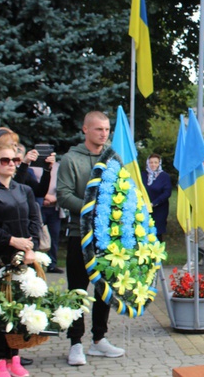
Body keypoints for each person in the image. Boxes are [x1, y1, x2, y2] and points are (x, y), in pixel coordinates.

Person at [56, 111, 124, 366]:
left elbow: (122, 189)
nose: (104, 134)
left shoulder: (113, 157)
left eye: (107, 129)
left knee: (103, 290)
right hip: (79, 235)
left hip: (106, 238)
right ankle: (75, 343)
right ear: (85, 129)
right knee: (77, 290)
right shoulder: (70, 159)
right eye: (98, 129)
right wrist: (93, 209)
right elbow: (63, 195)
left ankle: (99, 340)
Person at [0, 143, 39, 377]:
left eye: (15, 160)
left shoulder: (24, 190)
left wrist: (32, 249)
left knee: (19, 309)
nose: (11, 164)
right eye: (5, 160)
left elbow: (34, 220)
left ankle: (14, 358)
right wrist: (12, 240)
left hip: (22, 259)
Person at [141, 154, 172, 242]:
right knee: (144, 232)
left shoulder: (165, 176)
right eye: (151, 162)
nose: (153, 165)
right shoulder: (143, 175)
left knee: (157, 232)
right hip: (144, 209)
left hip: (159, 209)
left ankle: (157, 254)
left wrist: (153, 203)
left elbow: (167, 193)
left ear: (159, 163)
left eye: (155, 162)